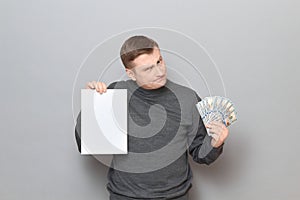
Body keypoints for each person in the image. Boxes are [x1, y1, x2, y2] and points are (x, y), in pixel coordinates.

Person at [75, 35, 229, 200]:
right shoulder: (115, 94)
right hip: (125, 195)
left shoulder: (188, 98)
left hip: (175, 195)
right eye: (148, 69)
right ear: (131, 74)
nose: (160, 71)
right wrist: (91, 107)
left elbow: (200, 154)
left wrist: (215, 143)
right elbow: (86, 143)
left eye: (159, 61)